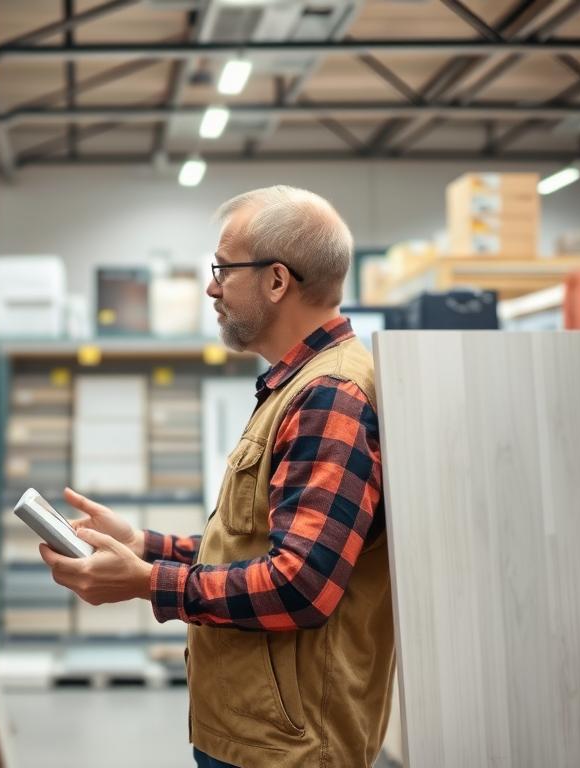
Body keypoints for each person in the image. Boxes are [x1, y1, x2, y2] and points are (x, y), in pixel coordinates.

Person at [39, 186, 394, 767]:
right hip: (262, 733)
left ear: (276, 281)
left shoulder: (331, 395)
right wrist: (143, 545)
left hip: (289, 748)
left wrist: (147, 582)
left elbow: (300, 585)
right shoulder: (301, 385)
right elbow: (255, 543)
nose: (212, 287)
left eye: (224, 270)